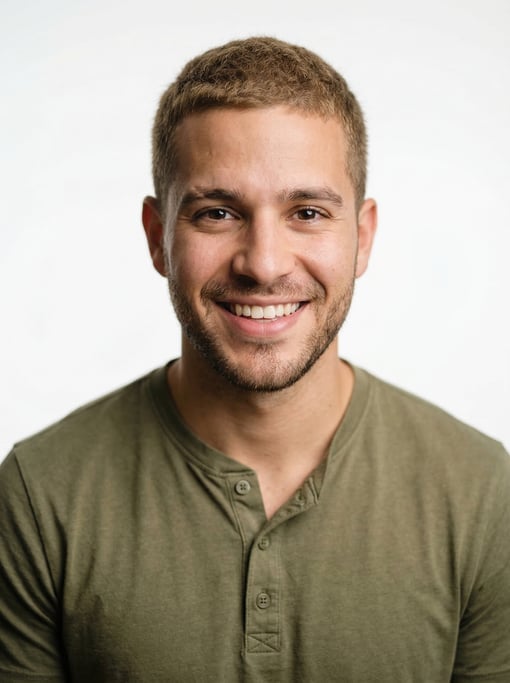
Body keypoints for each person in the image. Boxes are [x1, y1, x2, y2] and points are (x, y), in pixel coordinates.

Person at [0, 36, 509, 683]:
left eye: (307, 211)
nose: (264, 263)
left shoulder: (481, 491)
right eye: (217, 212)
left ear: (363, 237)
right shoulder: (41, 496)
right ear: (158, 238)